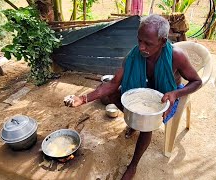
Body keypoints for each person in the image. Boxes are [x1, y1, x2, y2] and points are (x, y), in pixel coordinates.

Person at [64, 14, 202, 179]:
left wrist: (175, 93)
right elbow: (113, 83)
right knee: (112, 93)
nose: (142, 47)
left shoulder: (176, 56)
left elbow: (196, 81)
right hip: (146, 89)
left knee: (148, 124)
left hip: (168, 94)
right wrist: (84, 98)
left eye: (148, 43)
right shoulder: (135, 54)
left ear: (163, 41)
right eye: (139, 41)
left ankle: (133, 165)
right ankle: (134, 121)